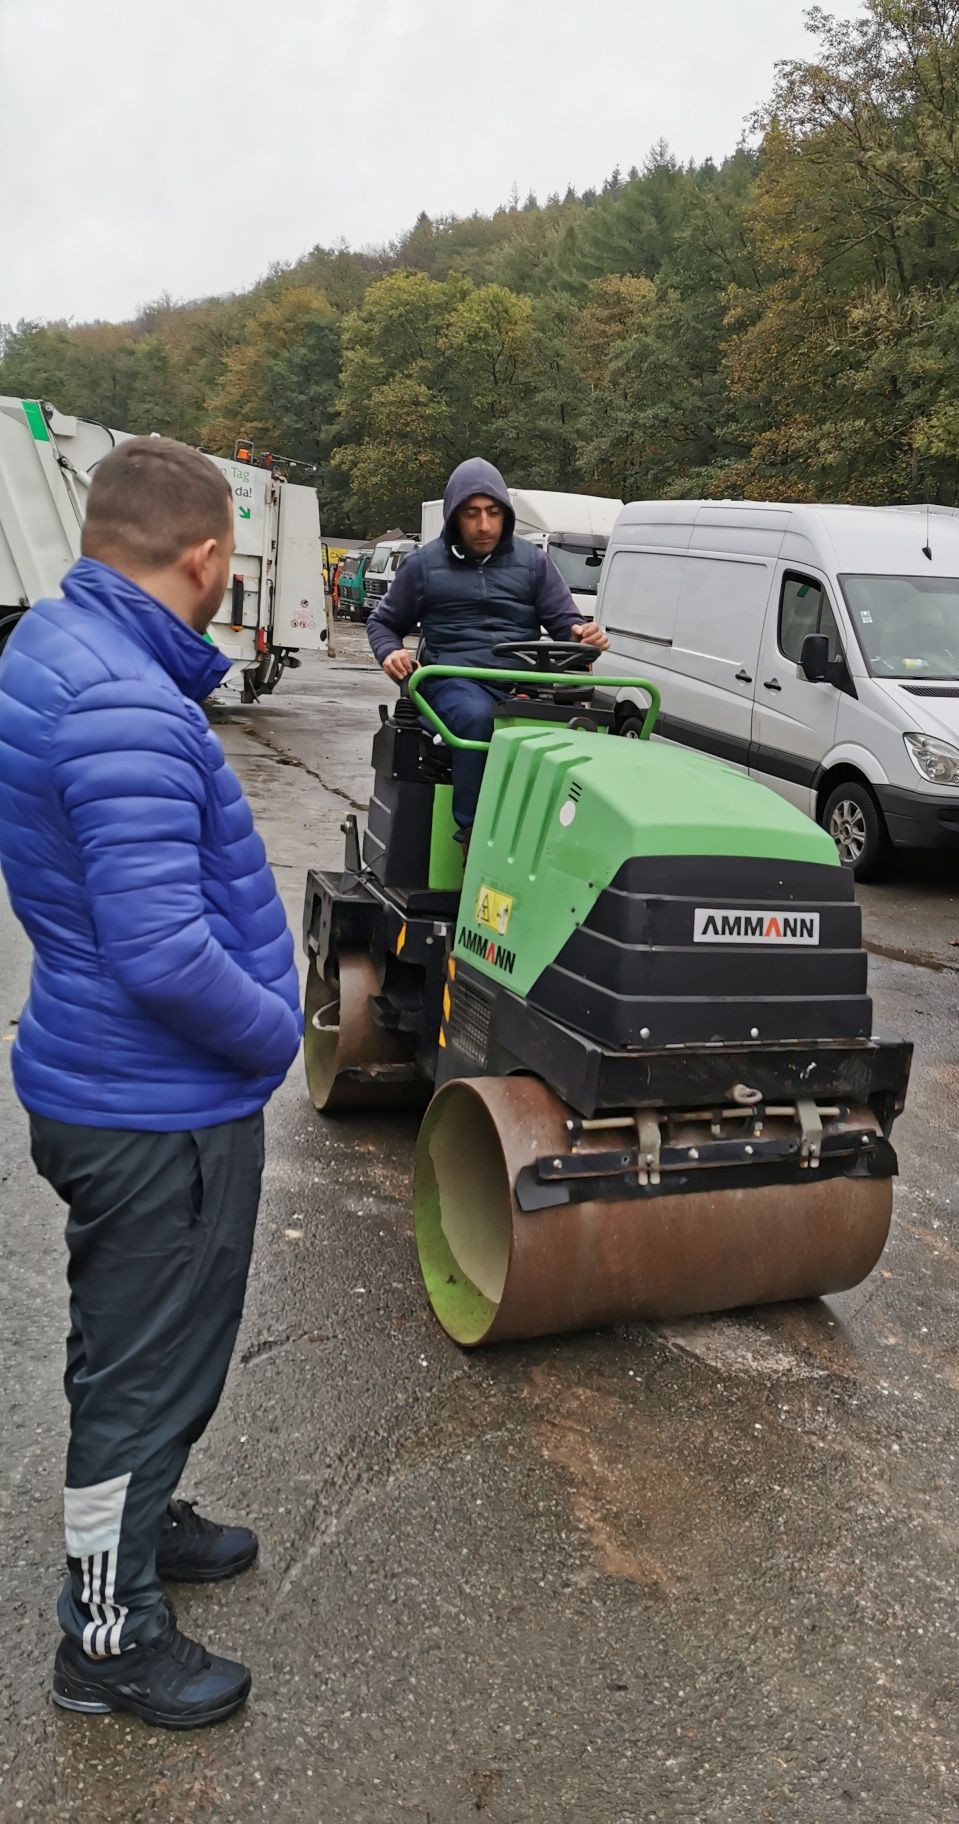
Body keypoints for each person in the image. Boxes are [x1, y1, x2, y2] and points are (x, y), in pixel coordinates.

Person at [0, 437, 302, 1730]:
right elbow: (164, 950)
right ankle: (108, 1638)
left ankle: (142, 1511)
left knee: (129, 1346)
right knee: (143, 1369)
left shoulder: (53, 651)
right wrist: (274, 1034)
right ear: (208, 557)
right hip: (155, 1104)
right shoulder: (124, 702)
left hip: (108, 1081)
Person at [366, 458, 608, 844]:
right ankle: (475, 838)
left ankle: (564, 841)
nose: (484, 525)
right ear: (453, 517)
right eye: (472, 514)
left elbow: (569, 627)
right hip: (452, 682)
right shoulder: (423, 566)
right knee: (479, 719)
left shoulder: (534, 564)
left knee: (582, 728)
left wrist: (585, 637)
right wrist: (390, 652)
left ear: (506, 515)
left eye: (493, 513)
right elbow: (382, 623)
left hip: (522, 679)